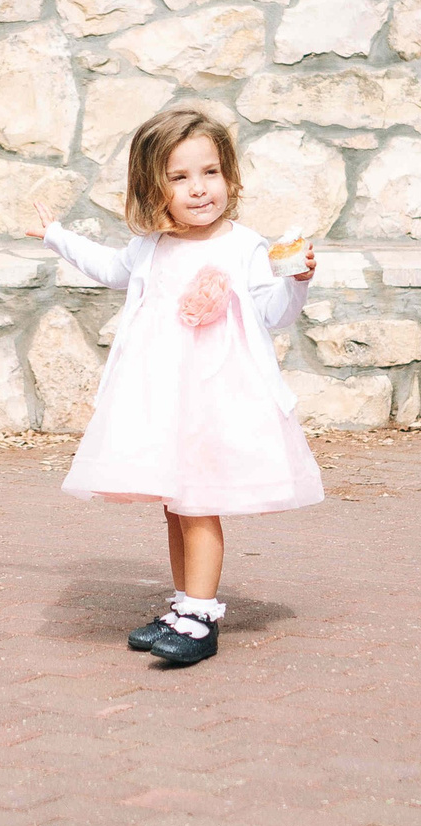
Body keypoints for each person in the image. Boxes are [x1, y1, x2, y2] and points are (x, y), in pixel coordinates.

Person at [34, 106, 321, 667]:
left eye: (210, 173)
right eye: (179, 177)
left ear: (230, 177)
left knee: (199, 502)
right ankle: (183, 603)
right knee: (174, 502)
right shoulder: (152, 245)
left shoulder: (245, 247)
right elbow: (111, 268)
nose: (198, 189)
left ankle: (200, 616)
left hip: (218, 395)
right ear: (153, 187)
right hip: (161, 394)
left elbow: (274, 314)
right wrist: (56, 236)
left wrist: (298, 284)